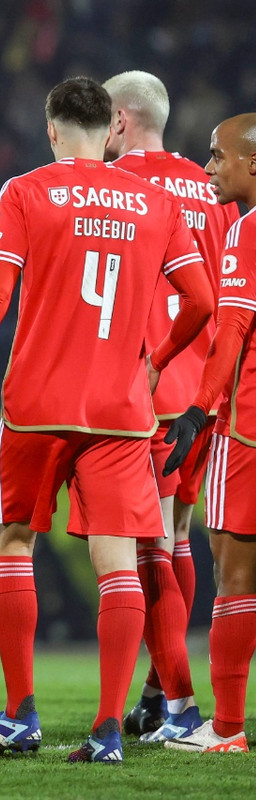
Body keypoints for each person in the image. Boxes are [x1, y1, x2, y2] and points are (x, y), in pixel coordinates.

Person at [0, 77, 213, 764]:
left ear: (53, 129)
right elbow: (202, 300)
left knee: (12, 544)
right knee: (119, 566)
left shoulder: (26, 191)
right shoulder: (155, 201)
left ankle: (19, 716)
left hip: (37, 406)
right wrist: (158, 361)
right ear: (110, 129)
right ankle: (109, 729)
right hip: (122, 412)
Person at [100, 70, 239, 742]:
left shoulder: (112, 189)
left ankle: (181, 703)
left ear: (119, 121)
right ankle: (160, 694)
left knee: (146, 547)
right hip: (206, 395)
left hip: (148, 388)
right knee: (177, 538)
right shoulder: (212, 187)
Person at [162, 113, 256, 755]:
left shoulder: (247, 229)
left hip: (247, 431)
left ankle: (225, 728)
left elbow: (232, 331)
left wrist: (199, 411)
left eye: (219, 155)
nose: (209, 166)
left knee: (234, 572)